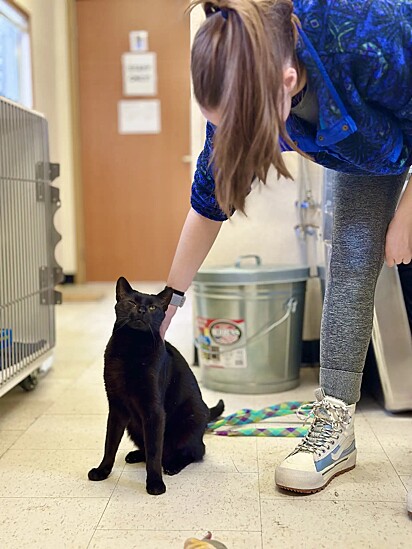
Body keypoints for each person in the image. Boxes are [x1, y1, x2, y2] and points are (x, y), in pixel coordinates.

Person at [161, 0, 412, 512]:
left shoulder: (366, 31)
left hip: (392, 102)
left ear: (288, 78)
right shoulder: (241, 74)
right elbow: (210, 204)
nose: (234, 136)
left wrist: (408, 212)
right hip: (373, 146)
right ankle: (336, 423)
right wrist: (170, 299)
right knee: (351, 256)